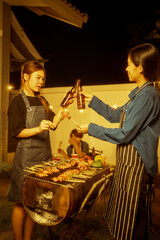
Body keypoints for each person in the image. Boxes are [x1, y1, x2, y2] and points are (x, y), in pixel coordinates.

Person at [77, 43, 160, 240]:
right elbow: (117, 115)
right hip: (127, 165)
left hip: (137, 167)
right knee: (126, 210)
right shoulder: (139, 94)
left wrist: (91, 129)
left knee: (137, 217)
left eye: (129, 64)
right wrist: (93, 101)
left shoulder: (148, 95)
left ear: (140, 67)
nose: (126, 68)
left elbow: (125, 133)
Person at [8, 60, 69, 240]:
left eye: (43, 78)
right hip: (26, 158)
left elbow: (51, 125)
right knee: (21, 203)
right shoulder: (17, 101)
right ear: (25, 76)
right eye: (37, 77)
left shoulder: (42, 100)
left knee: (33, 202)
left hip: (44, 157)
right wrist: (38, 128)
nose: (41, 81)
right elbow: (17, 132)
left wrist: (60, 116)